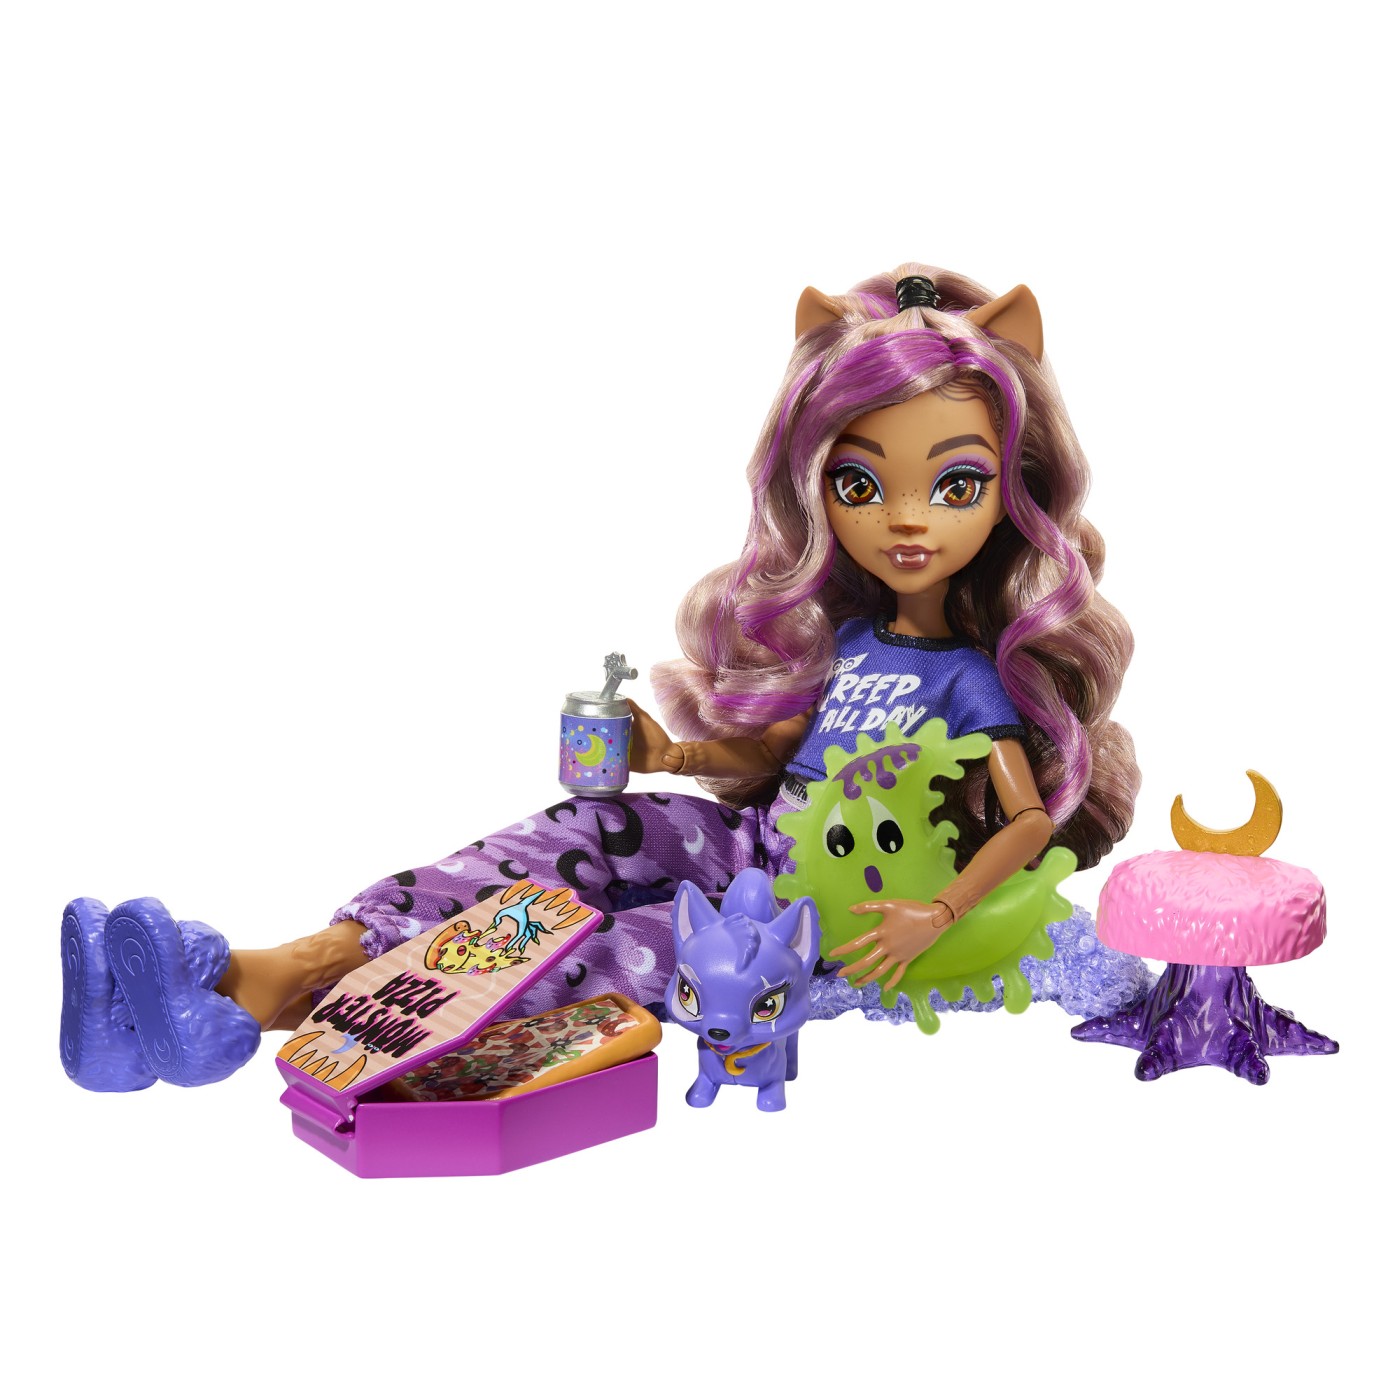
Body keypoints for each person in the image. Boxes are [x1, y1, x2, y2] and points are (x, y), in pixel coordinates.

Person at [60, 264, 1138, 1091]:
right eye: (859, 483)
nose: (906, 519)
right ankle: (259, 966)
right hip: (745, 843)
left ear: (1014, 492)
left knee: (608, 949)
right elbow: (781, 751)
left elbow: (1022, 823)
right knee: (568, 836)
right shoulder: (853, 642)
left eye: (955, 484)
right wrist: (670, 753)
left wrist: (935, 913)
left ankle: (249, 1011)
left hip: (812, 914)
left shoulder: (969, 678)